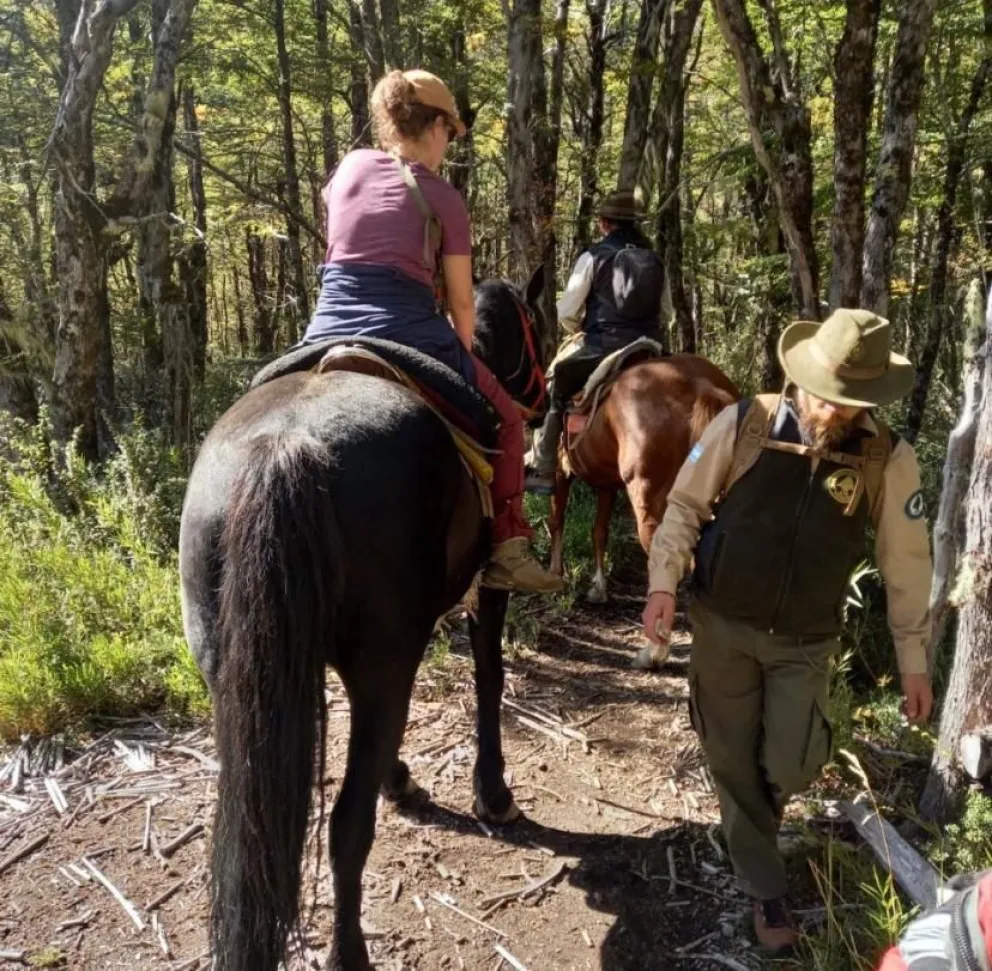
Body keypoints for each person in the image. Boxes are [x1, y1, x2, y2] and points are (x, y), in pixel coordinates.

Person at [640, 308, 935, 952]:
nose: (834, 412)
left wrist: (913, 659)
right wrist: (664, 582)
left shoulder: (887, 458)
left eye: (850, 401)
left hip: (805, 639)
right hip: (721, 623)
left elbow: (907, 562)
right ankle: (764, 884)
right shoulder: (747, 423)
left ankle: (756, 817)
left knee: (792, 762)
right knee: (728, 751)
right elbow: (686, 505)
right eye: (828, 395)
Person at [301, 68, 563, 594]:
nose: (449, 143)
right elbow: (463, 301)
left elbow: (335, 213)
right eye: (450, 131)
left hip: (324, 327)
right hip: (411, 331)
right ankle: (509, 548)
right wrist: (464, 363)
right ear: (436, 126)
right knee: (510, 421)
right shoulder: (442, 197)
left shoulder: (348, 167)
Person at [525, 190, 672, 493]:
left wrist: (576, 327)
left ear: (604, 223)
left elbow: (567, 311)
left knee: (557, 381)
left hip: (604, 346)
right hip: (651, 348)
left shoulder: (593, 256)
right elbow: (666, 312)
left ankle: (544, 466)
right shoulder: (655, 260)